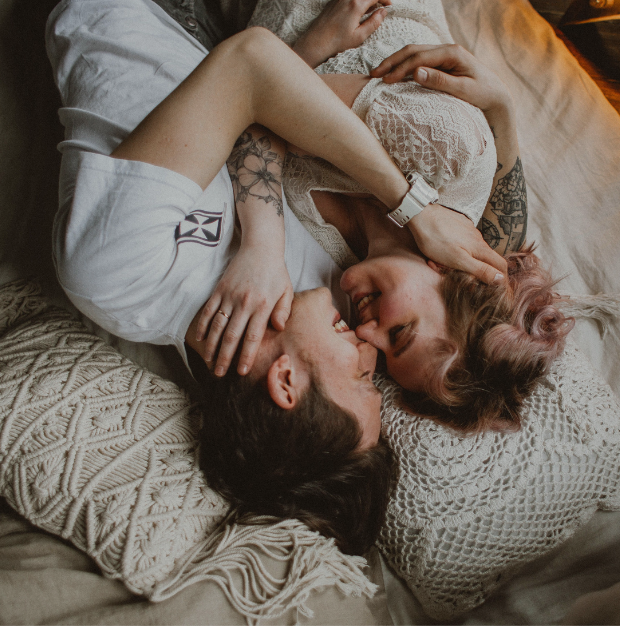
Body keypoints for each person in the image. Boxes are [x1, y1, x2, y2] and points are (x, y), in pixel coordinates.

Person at [46, 0, 502, 553]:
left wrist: (264, 242)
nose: (367, 351)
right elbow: (494, 244)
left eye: (359, 379)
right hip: (235, 24)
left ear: (285, 383)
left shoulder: (120, 279)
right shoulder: (323, 295)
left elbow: (249, 67)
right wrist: (503, 110)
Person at [226, 0, 576, 430]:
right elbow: (258, 85)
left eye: (385, 357)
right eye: (400, 334)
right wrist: (414, 209)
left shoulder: (336, 269)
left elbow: (239, 110)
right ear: (455, 274)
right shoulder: (450, 149)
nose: (366, 337)